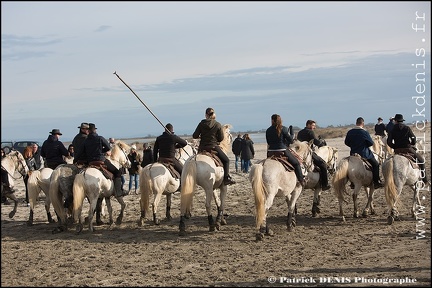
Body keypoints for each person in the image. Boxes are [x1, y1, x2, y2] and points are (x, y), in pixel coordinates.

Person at [75, 123, 125, 197]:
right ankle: (118, 192)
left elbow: (80, 152)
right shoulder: (100, 138)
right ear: (94, 130)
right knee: (118, 172)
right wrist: (101, 150)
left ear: (88, 131)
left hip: (91, 162)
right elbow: (108, 148)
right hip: (101, 160)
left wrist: (75, 160)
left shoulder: (86, 141)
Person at [193, 107, 236, 185]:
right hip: (213, 147)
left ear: (205, 115)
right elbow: (221, 138)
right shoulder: (217, 124)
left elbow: (195, 135)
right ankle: (226, 178)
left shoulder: (201, 124)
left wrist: (201, 136)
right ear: (213, 114)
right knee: (226, 160)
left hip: (202, 148)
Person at [266, 114, 306, 187]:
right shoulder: (284, 129)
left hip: (270, 152)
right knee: (296, 163)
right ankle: (301, 180)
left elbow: (268, 142)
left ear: (272, 120)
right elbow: (291, 141)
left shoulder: (268, 130)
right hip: (282, 150)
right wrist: (292, 135)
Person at [387, 113, 428, 184]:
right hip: (407, 149)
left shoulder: (392, 130)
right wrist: (411, 144)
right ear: (402, 121)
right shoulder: (407, 128)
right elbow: (414, 138)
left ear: (395, 121)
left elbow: (389, 142)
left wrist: (395, 147)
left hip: (397, 150)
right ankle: (425, 179)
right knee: (421, 160)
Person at [345, 117, 384, 188]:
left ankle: (352, 182)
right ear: (362, 124)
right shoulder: (364, 132)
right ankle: (376, 182)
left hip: (353, 154)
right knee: (376, 164)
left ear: (356, 123)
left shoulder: (350, 132)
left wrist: (353, 146)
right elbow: (371, 143)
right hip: (364, 154)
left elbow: (346, 142)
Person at [297, 120, 331, 191]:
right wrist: (321, 143)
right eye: (313, 125)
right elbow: (315, 141)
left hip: (300, 154)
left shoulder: (300, 132)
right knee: (323, 164)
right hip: (308, 153)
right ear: (308, 125)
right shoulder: (310, 132)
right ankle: (325, 184)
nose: (314, 127)